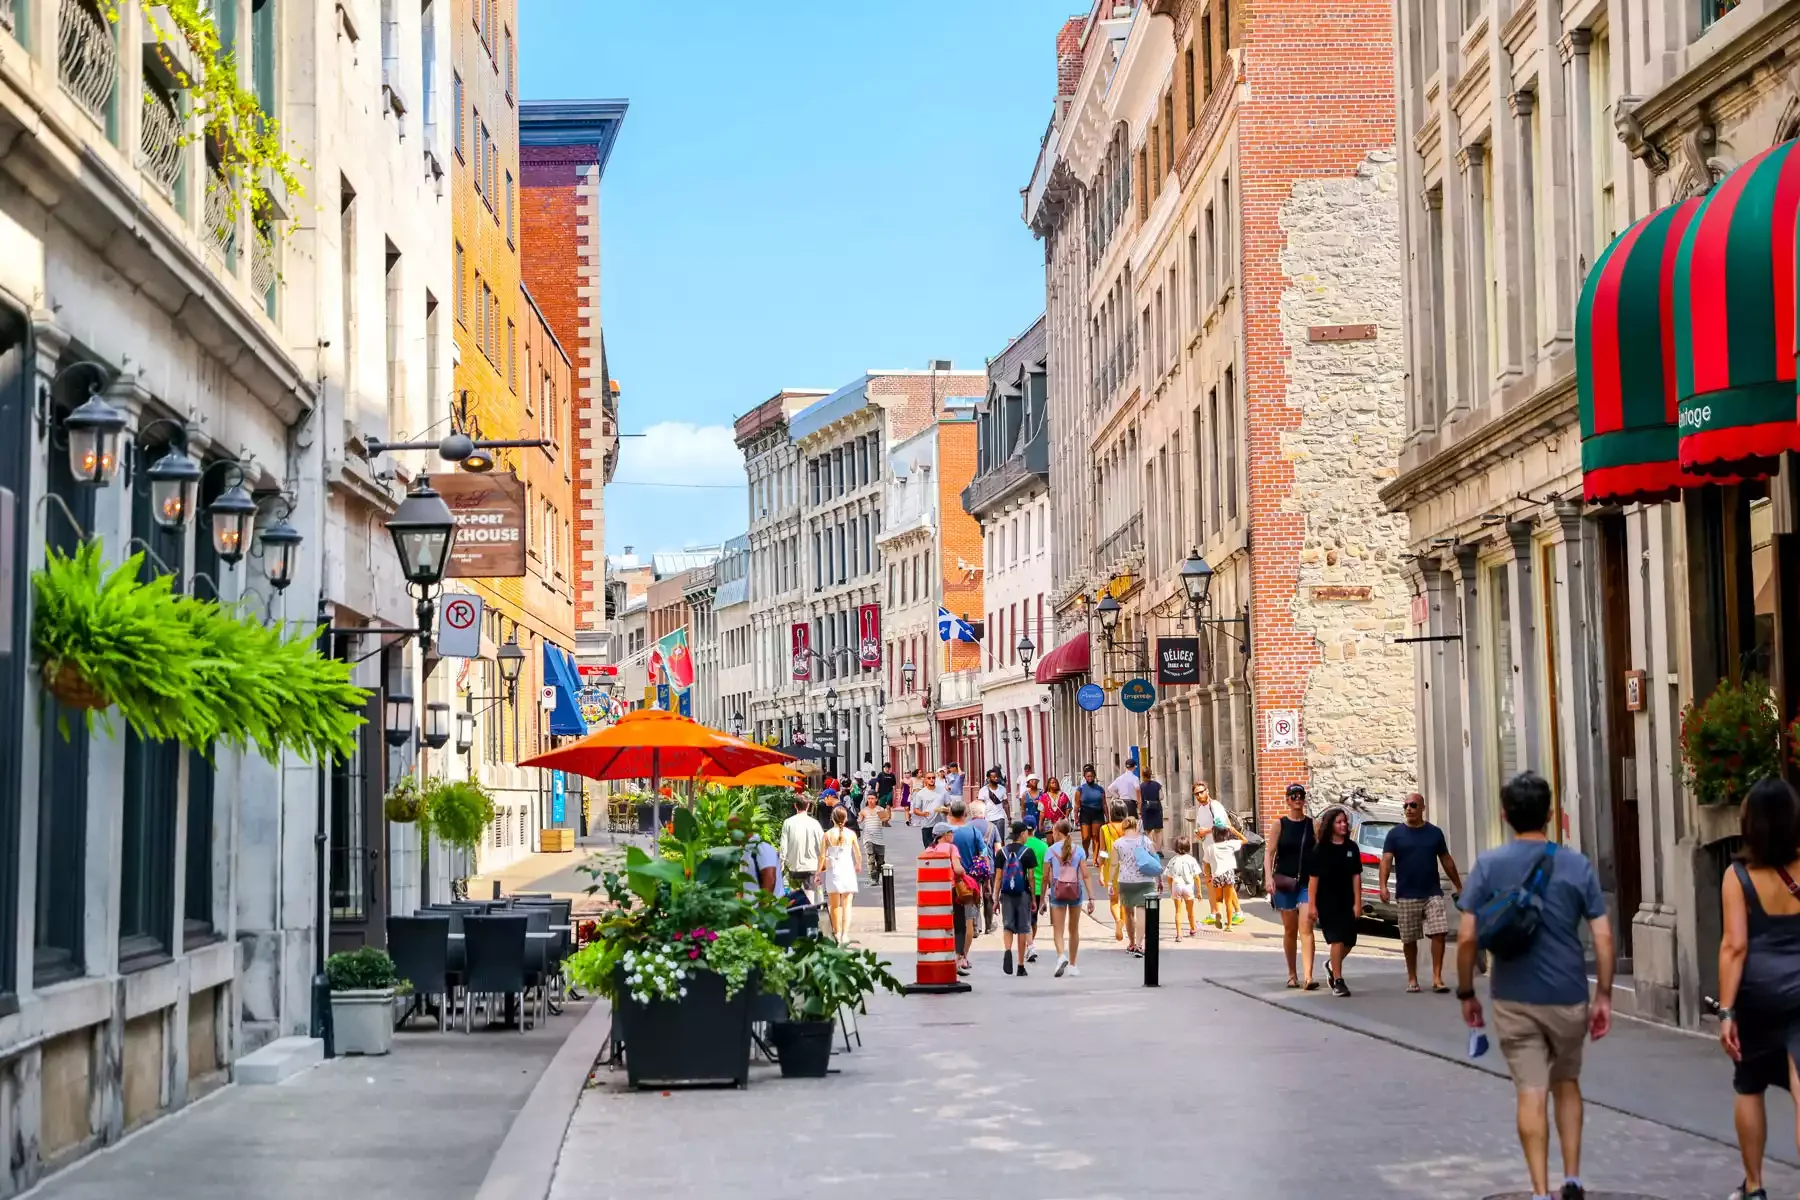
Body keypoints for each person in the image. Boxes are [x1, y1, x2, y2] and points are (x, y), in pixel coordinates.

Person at [1457, 771, 1613, 1200]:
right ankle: (1574, 1178)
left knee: (1531, 1090)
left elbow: (1468, 936)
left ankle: (1540, 1191)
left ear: (1505, 815)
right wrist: (1604, 995)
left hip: (1514, 998)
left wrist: (1467, 992)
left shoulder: (1488, 866)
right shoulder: (1576, 864)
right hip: (1567, 994)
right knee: (1567, 1083)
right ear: (1550, 814)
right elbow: (1602, 935)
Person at [1718, 777, 1800, 1200]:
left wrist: (1727, 1011)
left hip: (1759, 994)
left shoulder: (1738, 876)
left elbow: (1734, 946)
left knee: (1749, 1084)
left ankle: (1754, 1186)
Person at [1380, 792, 1465, 994]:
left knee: (1439, 932)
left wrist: (1458, 885)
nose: (1409, 809)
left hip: (1431, 892)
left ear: (1422, 808)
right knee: (1409, 939)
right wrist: (1383, 886)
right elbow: (1386, 860)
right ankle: (1412, 978)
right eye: (1406, 806)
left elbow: (1446, 859)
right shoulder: (1395, 834)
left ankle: (1437, 978)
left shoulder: (1434, 833)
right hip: (1406, 894)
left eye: (1413, 805)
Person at [1307, 805, 1362, 996]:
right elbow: (1314, 879)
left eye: (1345, 821)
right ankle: (1338, 980)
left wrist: (1358, 901)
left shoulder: (1351, 848)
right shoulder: (1320, 849)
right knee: (1337, 938)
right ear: (1330, 825)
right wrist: (1312, 905)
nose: (1343, 825)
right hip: (1327, 900)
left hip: (1347, 899)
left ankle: (1331, 964)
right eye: (1339, 822)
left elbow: (1356, 876)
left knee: (1350, 940)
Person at [1267, 783, 1318, 990]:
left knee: (1306, 927)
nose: (1297, 799)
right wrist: (1269, 878)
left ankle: (1308, 976)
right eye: (1293, 796)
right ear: (1287, 800)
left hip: (1307, 882)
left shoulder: (1312, 825)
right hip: (1285, 881)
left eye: (1300, 796)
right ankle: (1291, 974)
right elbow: (1269, 852)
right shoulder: (1279, 824)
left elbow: (1320, 852)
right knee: (1290, 929)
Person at [1044, 818, 1097, 977]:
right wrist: (1092, 897)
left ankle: (1061, 956)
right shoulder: (1079, 850)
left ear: (1058, 833)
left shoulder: (1050, 850)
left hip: (1057, 892)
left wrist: (1041, 899)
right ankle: (1073, 965)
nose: (1052, 834)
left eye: (1053, 831)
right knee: (1074, 930)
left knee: (1058, 930)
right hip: (1075, 892)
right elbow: (1086, 875)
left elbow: (1046, 876)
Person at [948, 799, 989, 974]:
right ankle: (963, 956)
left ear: (950, 814)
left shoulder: (946, 832)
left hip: (949, 881)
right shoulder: (973, 831)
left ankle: (952, 955)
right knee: (968, 921)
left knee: (951, 920)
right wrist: (986, 881)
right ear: (965, 815)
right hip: (969, 882)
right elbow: (984, 853)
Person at [996, 822, 1040, 976]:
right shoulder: (1028, 852)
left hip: (1006, 893)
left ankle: (1008, 950)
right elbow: (1031, 877)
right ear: (1022, 834)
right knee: (1023, 928)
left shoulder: (1001, 852)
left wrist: (995, 899)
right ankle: (1020, 965)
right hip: (1023, 893)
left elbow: (998, 877)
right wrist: (1034, 898)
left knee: (1008, 925)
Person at [1110, 815, 1157, 956]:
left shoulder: (1118, 843)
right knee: (1142, 911)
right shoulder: (1146, 841)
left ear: (1123, 828)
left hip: (1126, 881)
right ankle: (1139, 945)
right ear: (1136, 827)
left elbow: (1113, 864)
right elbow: (1155, 860)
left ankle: (1131, 943)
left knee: (1128, 913)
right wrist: (1159, 879)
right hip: (1145, 880)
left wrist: (1109, 883)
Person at [821, 807, 863, 941]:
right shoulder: (851, 834)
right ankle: (845, 934)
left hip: (833, 871)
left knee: (834, 905)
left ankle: (837, 933)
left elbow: (822, 857)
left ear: (832, 818)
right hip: (847, 870)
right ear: (845, 819)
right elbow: (858, 854)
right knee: (847, 905)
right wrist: (858, 865)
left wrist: (817, 872)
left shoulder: (827, 835)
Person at [779, 795, 825, 901]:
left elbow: (783, 846)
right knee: (810, 897)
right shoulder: (814, 823)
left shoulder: (788, 823)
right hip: (811, 866)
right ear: (808, 806)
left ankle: (797, 915)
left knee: (794, 898)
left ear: (795, 806)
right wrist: (822, 862)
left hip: (793, 866)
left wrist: (781, 864)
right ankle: (809, 914)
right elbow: (822, 844)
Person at [1210, 820, 1249, 928]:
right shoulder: (1231, 844)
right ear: (1227, 834)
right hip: (1228, 874)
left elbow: (1206, 862)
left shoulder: (1211, 847)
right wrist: (1235, 831)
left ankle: (1218, 913)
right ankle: (1229, 926)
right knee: (1228, 900)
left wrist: (1207, 875)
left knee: (1218, 899)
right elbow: (1245, 840)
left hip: (1217, 874)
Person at [1099, 802, 1129, 940]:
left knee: (1113, 900)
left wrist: (1100, 870)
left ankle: (1117, 920)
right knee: (1124, 899)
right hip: (1127, 867)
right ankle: (1122, 924)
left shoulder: (1104, 828)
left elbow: (1103, 851)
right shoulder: (1129, 827)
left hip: (1112, 867)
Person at [1165, 836, 1203, 939]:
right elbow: (1197, 877)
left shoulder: (1172, 860)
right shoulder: (1191, 860)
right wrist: (1199, 892)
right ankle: (1192, 928)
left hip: (1176, 886)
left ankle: (1179, 934)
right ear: (1188, 847)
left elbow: (1169, 877)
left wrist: (1170, 888)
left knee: (1178, 911)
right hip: (1188, 888)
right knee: (1190, 910)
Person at [1024, 820, 1050, 963]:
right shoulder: (1044, 846)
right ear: (1034, 829)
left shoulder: (1021, 845)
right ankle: (1030, 945)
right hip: (1039, 888)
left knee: (1024, 920)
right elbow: (1047, 871)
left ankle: (1029, 946)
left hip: (1024, 887)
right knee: (1033, 921)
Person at [1076, 765, 1108, 855]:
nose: (1090, 778)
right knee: (1086, 837)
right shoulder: (1080, 789)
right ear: (1085, 777)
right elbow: (1077, 805)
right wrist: (1076, 817)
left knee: (1096, 836)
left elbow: (1104, 804)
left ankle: (1095, 858)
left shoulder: (1100, 789)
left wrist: (1107, 817)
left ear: (1094, 777)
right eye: (1088, 776)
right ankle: (1086, 851)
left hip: (1097, 813)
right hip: (1085, 814)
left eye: (1091, 776)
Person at [741, 831, 781, 898]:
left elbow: (770, 879)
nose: (729, 834)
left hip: (762, 905)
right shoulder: (745, 851)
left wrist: (763, 905)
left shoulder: (761, 847)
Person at [861, 792, 889, 884]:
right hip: (868, 838)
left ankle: (876, 877)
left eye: (872, 798)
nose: (871, 800)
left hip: (879, 839)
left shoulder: (880, 809)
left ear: (876, 799)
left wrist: (887, 815)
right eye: (869, 798)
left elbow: (885, 821)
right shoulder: (864, 810)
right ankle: (872, 878)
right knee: (871, 859)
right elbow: (859, 821)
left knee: (880, 861)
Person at [912, 771, 942, 848]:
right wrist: (923, 814)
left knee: (940, 849)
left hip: (939, 824)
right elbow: (915, 810)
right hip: (926, 824)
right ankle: (928, 860)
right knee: (928, 848)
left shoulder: (942, 791)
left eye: (933, 778)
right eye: (929, 778)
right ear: (925, 780)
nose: (931, 779)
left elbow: (948, 805)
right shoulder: (920, 794)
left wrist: (945, 810)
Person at [1137, 767, 1165, 847]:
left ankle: (1151, 848)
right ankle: (1159, 849)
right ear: (1150, 774)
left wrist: (1139, 812)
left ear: (1142, 775)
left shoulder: (1141, 786)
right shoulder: (1157, 785)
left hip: (1146, 810)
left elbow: (1140, 801)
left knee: (1148, 831)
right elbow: (1161, 797)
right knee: (1158, 830)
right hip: (1157, 809)